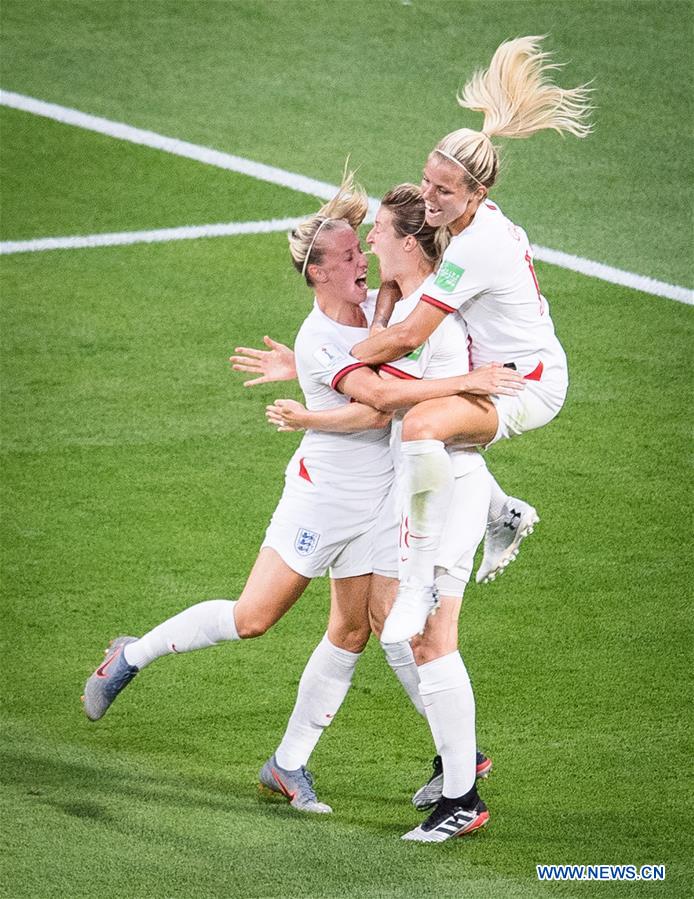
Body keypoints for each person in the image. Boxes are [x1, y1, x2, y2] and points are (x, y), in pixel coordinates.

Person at [82, 173, 518, 818]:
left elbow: (391, 326)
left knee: (367, 627)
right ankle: (131, 655)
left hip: (382, 500)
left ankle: (298, 764)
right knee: (253, 618)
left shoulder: (378, 311)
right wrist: (465, 382)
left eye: (362, 248)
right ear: (318, 273)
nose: (363, 260)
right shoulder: (319, 336)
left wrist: (309, 379)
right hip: (324, 499)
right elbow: (377, 406)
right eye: (348, 256)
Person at [237, 183, 528, 841]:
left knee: (422, 638)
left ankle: (463, 793)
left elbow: (378, 395)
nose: (369, 244)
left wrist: (313, 387)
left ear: (408, 244)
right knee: (391, 626)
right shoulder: (412, 306)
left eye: (379, 235)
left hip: (440, 493)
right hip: (424, 487)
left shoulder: (424, 325)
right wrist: (309, 360)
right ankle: (456, 772)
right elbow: (375, 344)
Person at [345, 36, 592, 644]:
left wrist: (347, 358)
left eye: (442, 191)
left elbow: (409, 335)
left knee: (423, 426)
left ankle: (418, 581)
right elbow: (400, 278)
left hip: (526, 384)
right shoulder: (462, 222)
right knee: (427, 422)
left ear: (477, 194)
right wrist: (379, 313)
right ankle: (501, 510)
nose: (427, 199)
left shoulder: (477, 245)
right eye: (427, 182)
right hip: (496, 365)